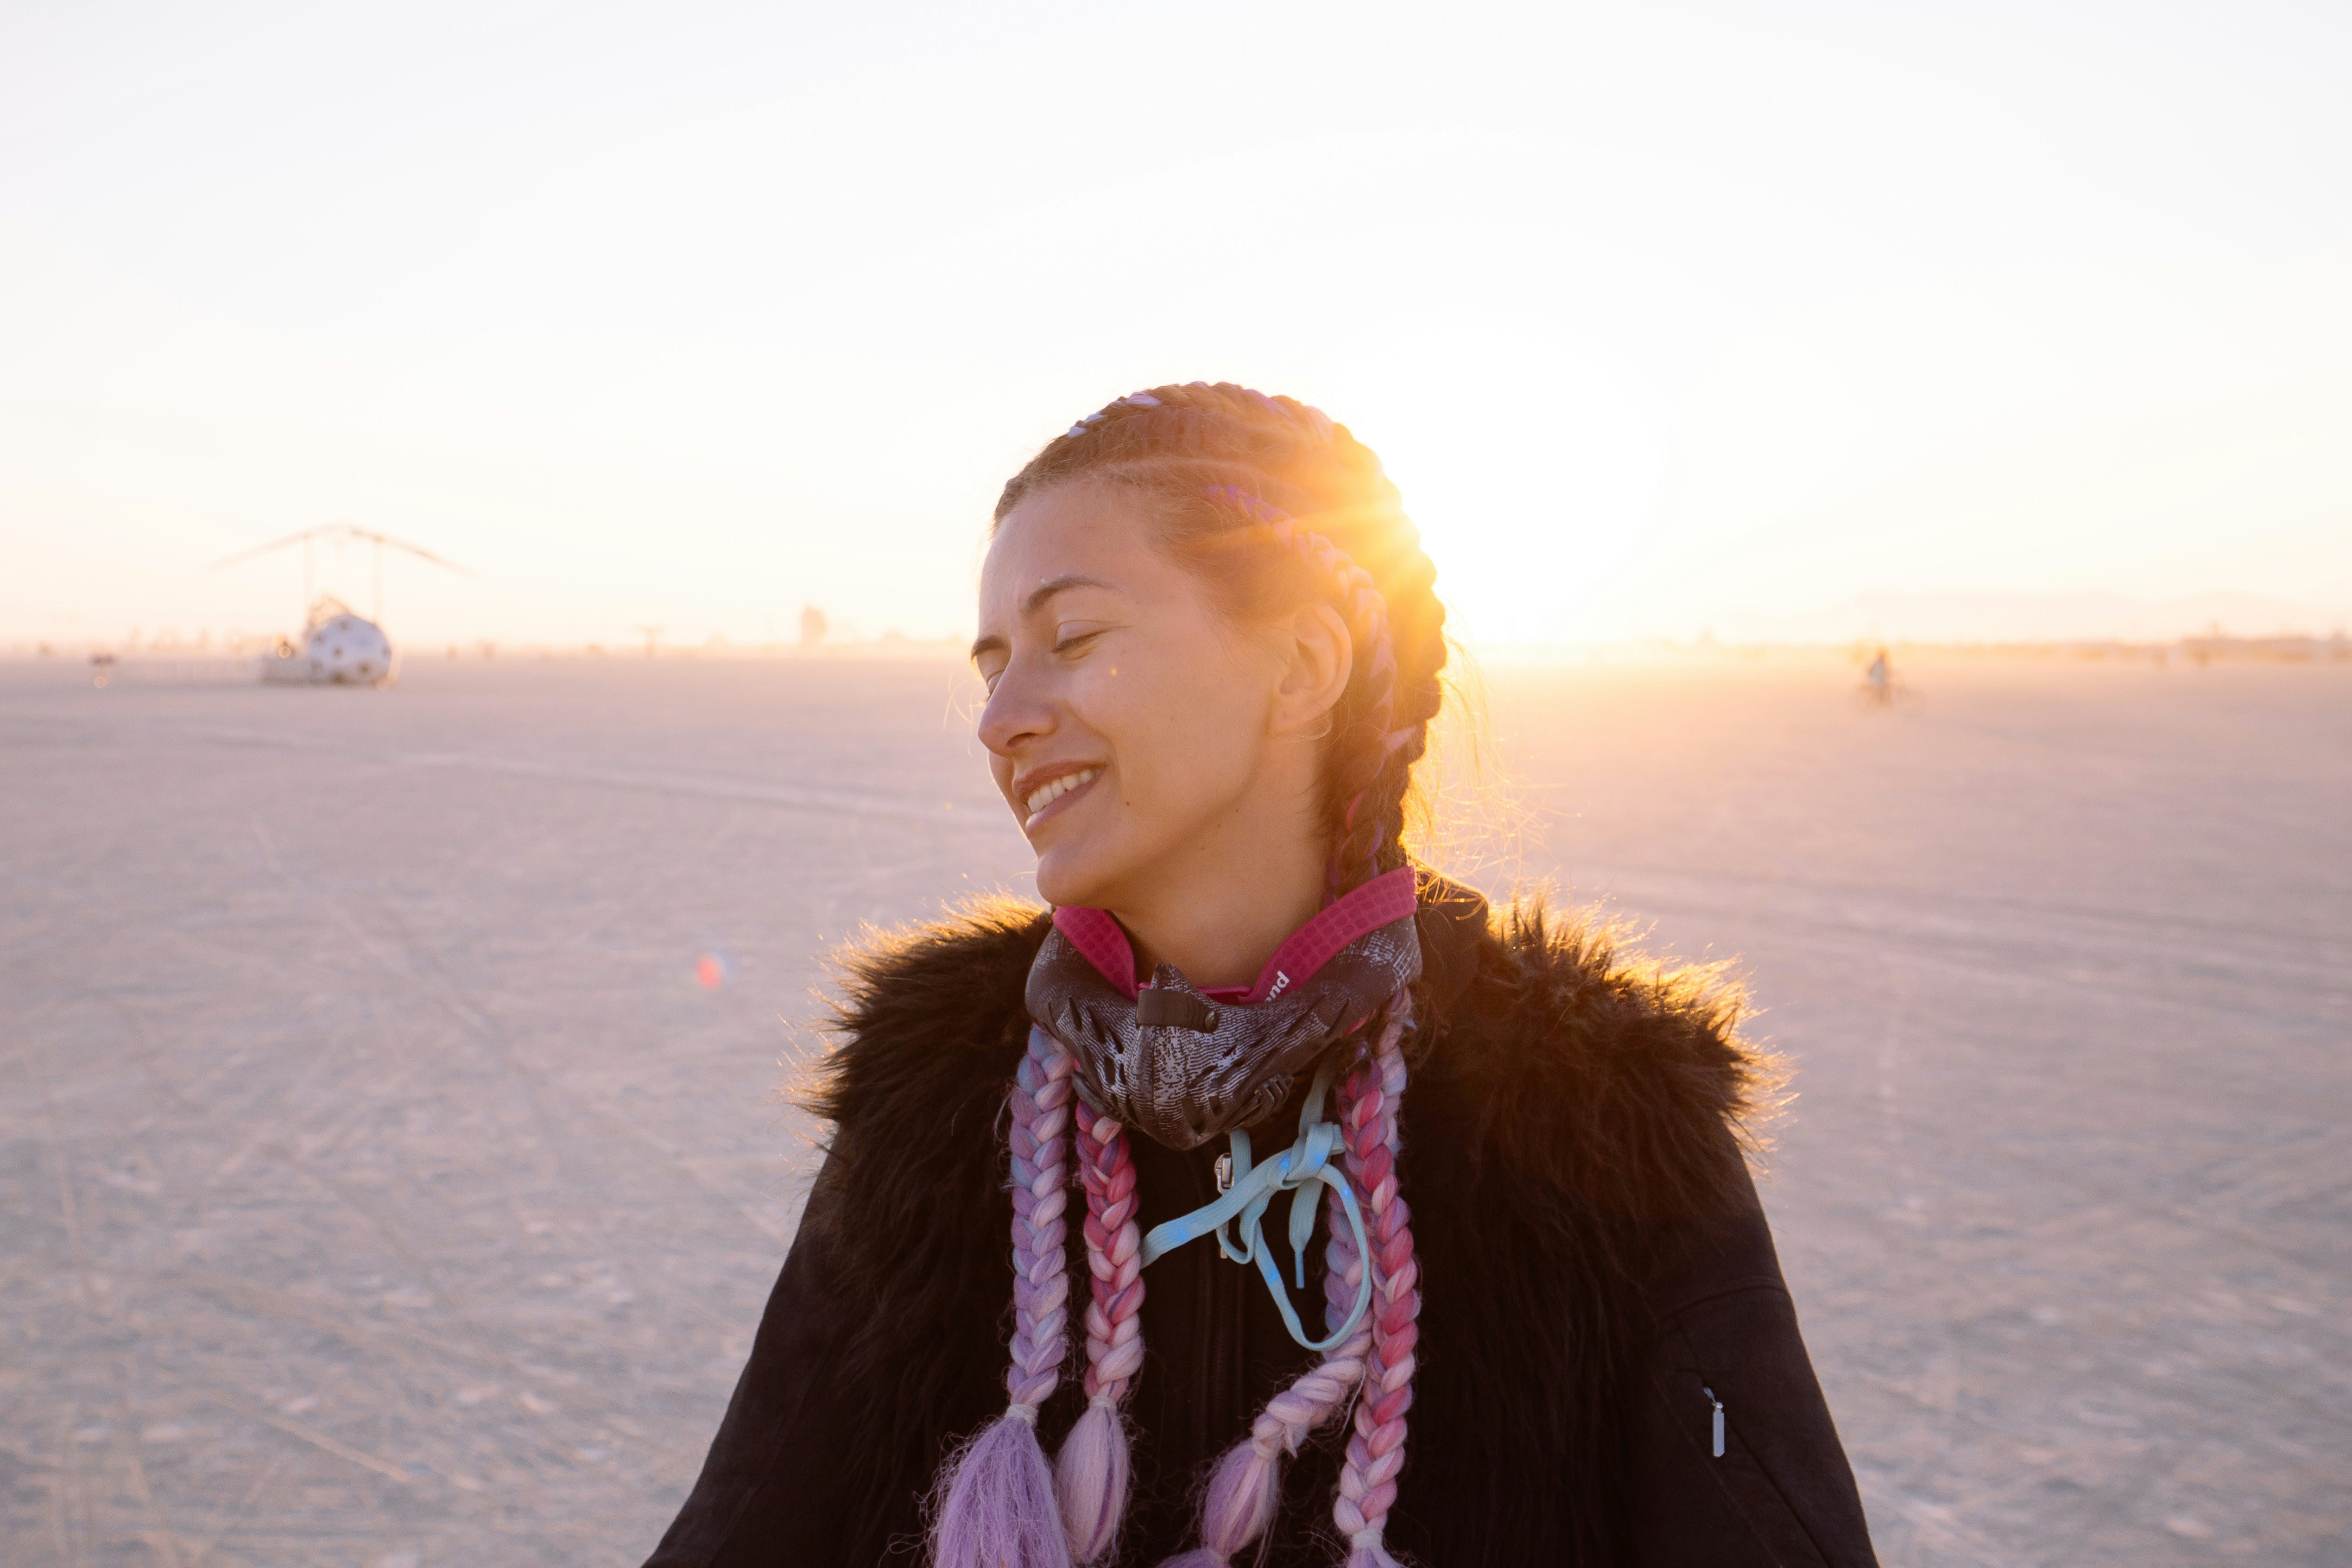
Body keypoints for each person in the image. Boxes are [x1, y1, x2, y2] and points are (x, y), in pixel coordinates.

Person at [644, 383, 1877, 1566]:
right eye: (989, 664)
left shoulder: (1598, 1113)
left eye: (1071, 637)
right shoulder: (935, 1092)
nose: (1000, 717)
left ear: (1301, 668)